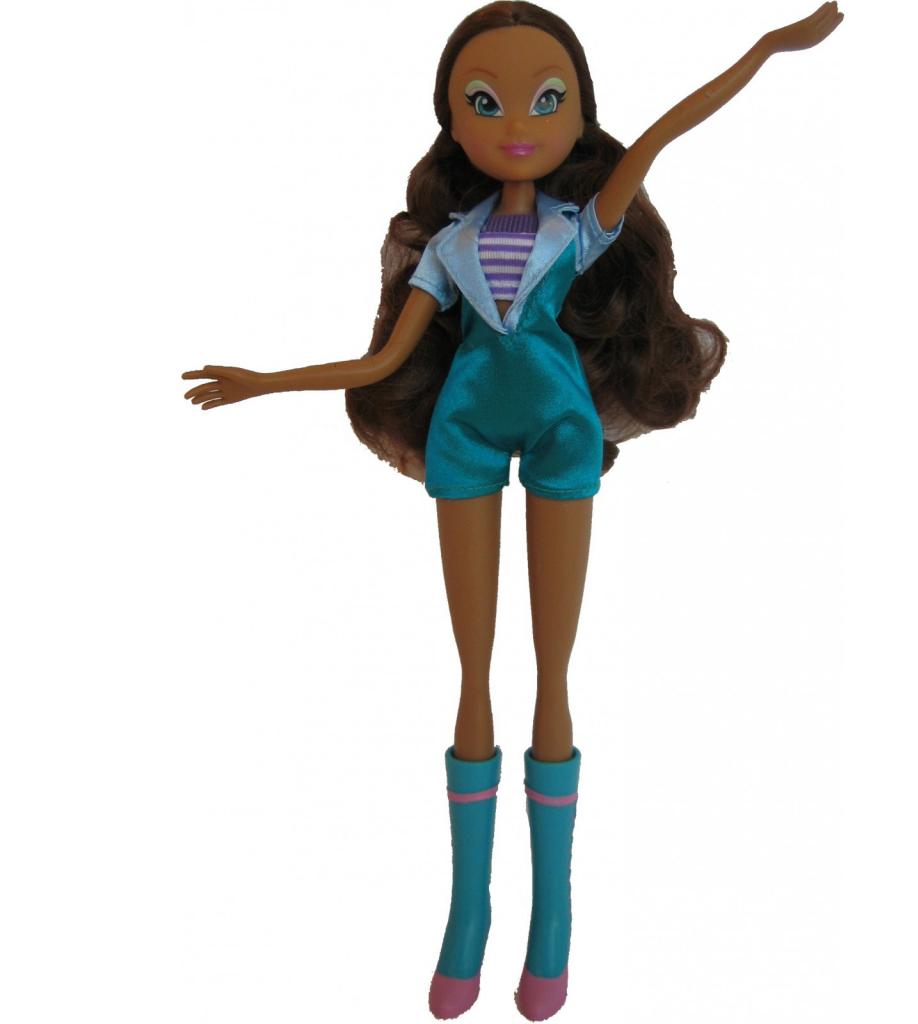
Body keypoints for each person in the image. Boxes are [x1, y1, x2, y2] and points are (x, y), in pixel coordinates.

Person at [182, 2, 843, 1018]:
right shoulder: (448, 248)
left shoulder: (582, 227)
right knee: (473, 669)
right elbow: (382, 363)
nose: (520, 123)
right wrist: (263, 381)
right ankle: (468, 911)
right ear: (453, 120)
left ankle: (553, 914)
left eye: (549, 100)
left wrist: (765, 48)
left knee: (553, 668)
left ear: (580, 114)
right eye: (486, 103)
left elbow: (667, 130)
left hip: (564, 430)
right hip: (463, 434)